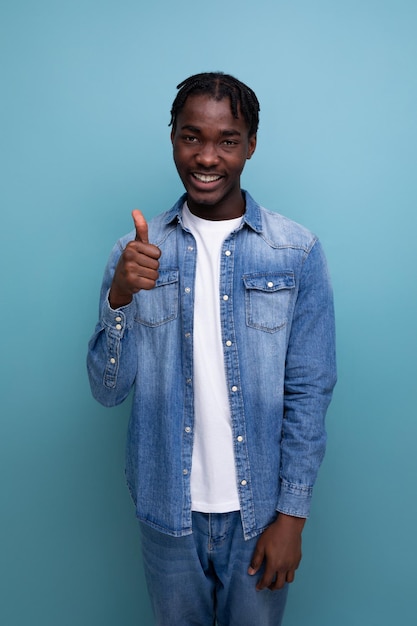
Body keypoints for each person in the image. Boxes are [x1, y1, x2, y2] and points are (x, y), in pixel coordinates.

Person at [87, 72, 337, 626]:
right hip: (165, 510)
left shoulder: (294, 252)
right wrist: (120, 296)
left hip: (260, 515)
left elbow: (310, 391)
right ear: (173, 138)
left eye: (227, 140)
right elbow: (107, 391)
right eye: (191, 136)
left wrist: (291, 516)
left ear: (250, 145)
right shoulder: (136, 253)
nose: (207, 156)